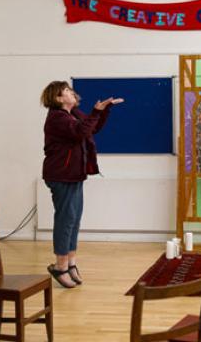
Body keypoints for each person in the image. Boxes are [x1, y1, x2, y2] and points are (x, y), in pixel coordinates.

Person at [41, 81, 124, 288]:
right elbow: (80, 132)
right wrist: (96, 111)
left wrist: (102, 111)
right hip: (61, 175)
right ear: (58, 98)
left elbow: (90, 128)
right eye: (67, 91)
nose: (71, 93)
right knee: (65, 220)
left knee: (74, 219)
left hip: (74, 174)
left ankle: (71, 264)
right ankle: (60, 267)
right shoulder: (57, 118)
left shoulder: (73, 113)